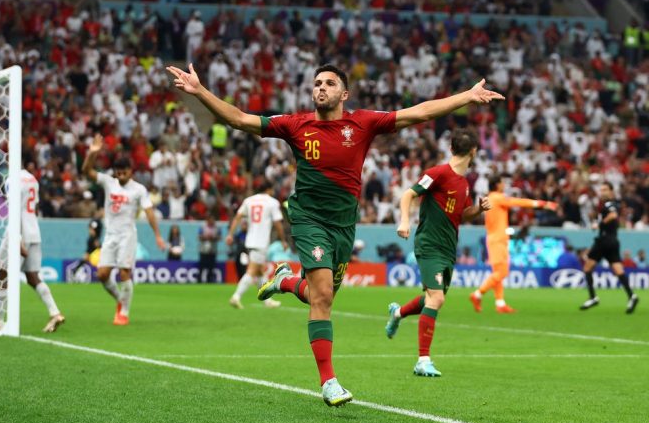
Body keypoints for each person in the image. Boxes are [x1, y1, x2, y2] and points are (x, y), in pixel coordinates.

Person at [167, 62, 503, 405]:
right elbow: (238, 119)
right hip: (309, 220)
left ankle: (284, 280)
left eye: (328, 83)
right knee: (323, 295)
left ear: (344, 94)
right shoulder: (295, 125)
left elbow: (418, 113)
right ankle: (329, 382)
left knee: (317, 295)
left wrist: (468, 96)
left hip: (344, 226)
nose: (320, 88)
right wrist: (200, 91)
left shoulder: (362, 123)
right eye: (316, 83)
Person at [384, 129, 491, 377]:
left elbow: (462, 214)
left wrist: (478, 209)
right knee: (437, 299)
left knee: (432, 298)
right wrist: (404, 221)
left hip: (447, 247)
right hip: (429, 244)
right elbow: (409, 193)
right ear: (473, 152)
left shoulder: (464, 184)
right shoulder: (438, 173)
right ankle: (422, 360)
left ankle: (397, 313)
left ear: (452, 148)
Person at [82, 134, 166, 325]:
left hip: (127, 235)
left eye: (124, 172)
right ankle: (121, 300)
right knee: (102, 274)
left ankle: (124, 312)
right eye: (118, 172)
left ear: (131, 171)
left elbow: (150, 213)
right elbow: (87, 170)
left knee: (124, 273)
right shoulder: (108, 182)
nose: (120, 175)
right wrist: (92, 154)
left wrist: (158, 236)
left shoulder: (139, 190)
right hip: (110, 236)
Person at [0, 161, 65, 333]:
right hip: (34, 231)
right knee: (33, 276)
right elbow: (33, 207)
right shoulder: (33, 179)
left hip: (17, 232)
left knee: (3, 273)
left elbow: (15, 210)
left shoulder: (12, 179)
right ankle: (55, 313)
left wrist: (17, 239)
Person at [469, 175, 558, 313]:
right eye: (502, 183)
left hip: (494, 238)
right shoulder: (497, 198)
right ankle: (477, 294)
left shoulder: (490, 198)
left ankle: (500, 303)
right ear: (497, 185)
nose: (504, 185)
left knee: (497, 273)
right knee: (502, 272)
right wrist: (542, 204)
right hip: (498, 239)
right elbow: (518, 202)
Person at [225, 182, 288, 309]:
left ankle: (267, 300)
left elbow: (237, 217)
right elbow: (278, 223)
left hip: (250, 240)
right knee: (252, 271)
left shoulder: (249, 200)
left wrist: (230, 234)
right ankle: (236, 297)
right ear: (269, 189)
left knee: (260, 272)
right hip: (261, 241)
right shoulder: (272, 202)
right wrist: (283, 240)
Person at [580, 182, 639, 314]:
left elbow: (613, 215)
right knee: (618, 270)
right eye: (601, 190)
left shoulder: (609, 204)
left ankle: (593, 297)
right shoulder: (608, 205)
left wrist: (599, 224)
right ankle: (632, 296)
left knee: (587, 268)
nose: (602, 192)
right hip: (613, 240)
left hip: (604, 241)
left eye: (605, 189)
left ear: (611, 191)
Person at [198, 214, 220, 283]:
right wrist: (206, 237)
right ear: (207, 220)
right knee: (202, 266)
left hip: (212, 250)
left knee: (211, 267)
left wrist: (213, 238)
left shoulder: (217, 228)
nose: (212, 221)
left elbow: (219, 237)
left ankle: (209, 280)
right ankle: (199, 280)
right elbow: (199, 237)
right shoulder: (202, 227)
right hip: (203, 250)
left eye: (213, 220)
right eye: (210, 220)